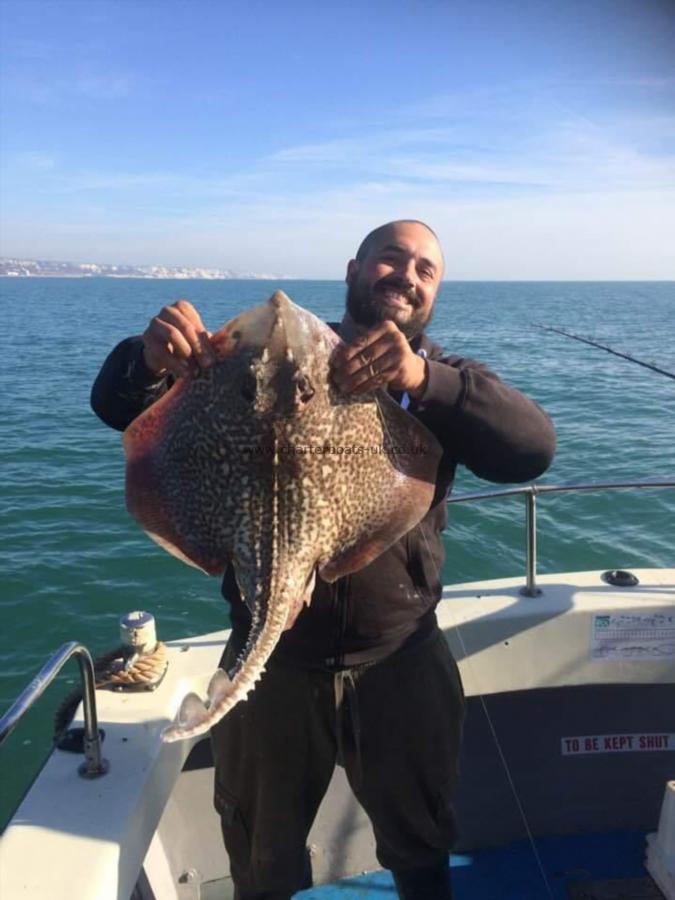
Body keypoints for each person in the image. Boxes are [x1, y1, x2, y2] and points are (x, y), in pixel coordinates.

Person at [91, 220, 556, 899]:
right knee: (261, 852)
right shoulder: (235, 374)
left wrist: (422, 377)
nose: (406, 274)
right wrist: (148, 359)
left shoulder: (439, 383)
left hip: (400, 658)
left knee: (420, 840)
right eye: (390, 259)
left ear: (435, 292)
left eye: (424, 268)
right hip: (270, 658)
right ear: (353, 270)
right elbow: (118, 407)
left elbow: (531, 448)